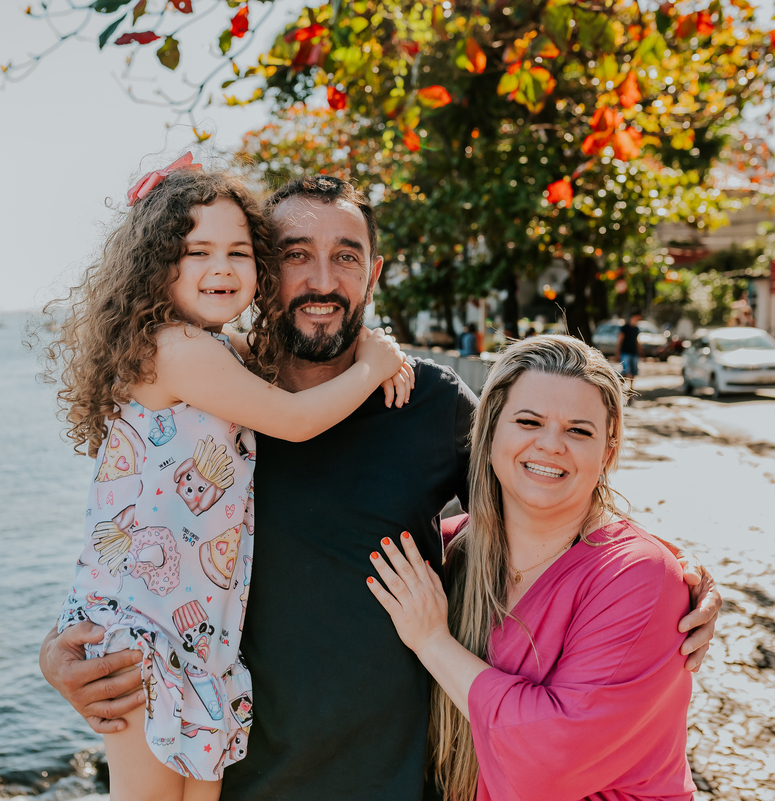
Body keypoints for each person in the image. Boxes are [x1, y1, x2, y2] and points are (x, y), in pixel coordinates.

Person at [39, 176, 722, 801]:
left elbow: (551, 505)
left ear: (374, 272)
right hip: (232, 779)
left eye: (346, 255)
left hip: (394, 783)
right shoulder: (215, 402)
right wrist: (61, 651)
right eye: (295, 253)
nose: (322, 278)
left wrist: (674, 574)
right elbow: (137, 535)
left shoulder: (429, 404)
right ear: (264, 268)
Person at [43, 158, 411, 801]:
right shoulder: (174, 349)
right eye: (197, 251)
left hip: (198, 632)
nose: (222, 268)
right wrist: (373, 363)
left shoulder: (220, 351)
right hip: (145, 631)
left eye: (240, 252)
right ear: (156, 265)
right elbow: (296, 422)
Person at [368, 336, 694, 800]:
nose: (551, 445)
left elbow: (549, 764)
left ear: (608, 449)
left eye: (579, 431)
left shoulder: (640, 577)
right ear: (490, 430)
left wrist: (433, 642)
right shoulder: (447, 552)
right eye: (528, 421)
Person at [616, 311, 642, 395]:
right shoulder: (625, 328)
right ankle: (619, 386)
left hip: (634, 352)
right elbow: (620, 340)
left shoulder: (636, 329)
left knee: (633, 372)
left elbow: (636, 341)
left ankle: (631, 389)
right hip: (625, 352)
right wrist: (617, 352)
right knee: (626, 371)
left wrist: (641, 351)